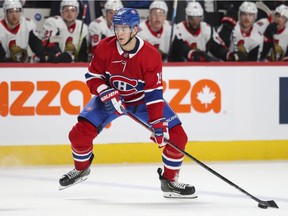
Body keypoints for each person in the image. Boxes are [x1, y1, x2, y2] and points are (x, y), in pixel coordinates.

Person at [59, 7, 197, 199]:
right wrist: (104, 90)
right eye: (117, 28)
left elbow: (154, 93)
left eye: (124, 28)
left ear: (135, 29)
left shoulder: (150, 55)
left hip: (141, 101)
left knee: (178, 137)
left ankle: (170, 181)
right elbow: (92, 77)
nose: (119, 33)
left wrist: (158, 123)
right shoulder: (105, 47)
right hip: (110, 99)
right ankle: (81, 169)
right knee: (78, 135)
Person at [0, 0, 69, 63]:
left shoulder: (27, 24)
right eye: (11, 12)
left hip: (22, 67)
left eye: (17, 11)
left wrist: (50, 55)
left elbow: (36, 45)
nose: (14, 15)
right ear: (5, 12)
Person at [170, 1, 238, 62]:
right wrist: (193, 54)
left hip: (202, 66)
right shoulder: (178, 29)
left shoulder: (207, 29)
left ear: (201, 17)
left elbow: (216, 47)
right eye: (192, 18)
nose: (195, 21)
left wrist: (227, 54)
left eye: (198, 18)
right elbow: (180, 47)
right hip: (182, 66)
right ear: (187, 17)